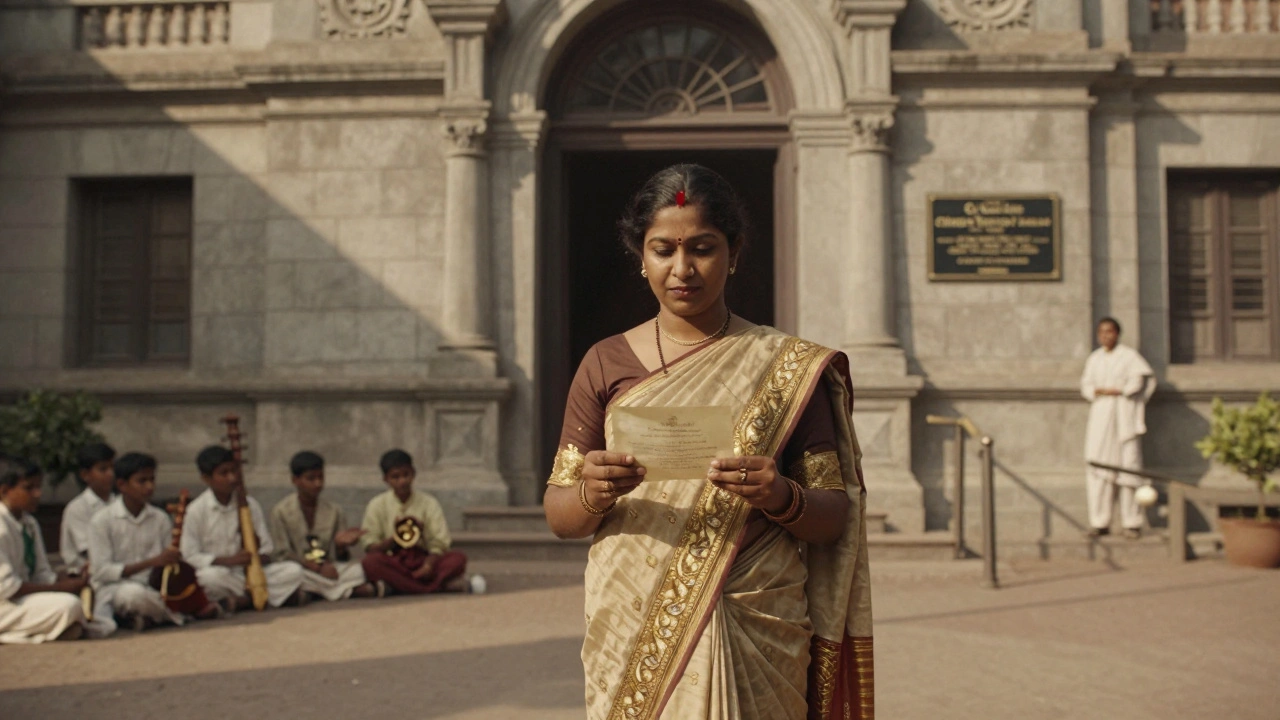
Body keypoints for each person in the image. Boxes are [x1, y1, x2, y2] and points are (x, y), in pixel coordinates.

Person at [543, 164, 874, 720]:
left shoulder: (786, 366)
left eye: (702, 248)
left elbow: (833, 517)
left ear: (734, 251)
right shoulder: (606, 363)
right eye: (663, 250)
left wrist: (780, 496)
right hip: (633, 617)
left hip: (758, 613)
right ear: (639, 256)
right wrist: (593, 493)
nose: (682, 269)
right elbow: (559, 515)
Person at [87, 452, 220, 634]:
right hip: (117, 588)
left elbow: (166, 567)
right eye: (142, 481)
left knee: (207, 580)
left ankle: (144, 618)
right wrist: (152, 562)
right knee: (134, 595)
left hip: (155, 587)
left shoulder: (160, 518)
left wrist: (173, 562)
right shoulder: (102, 521)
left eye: (152, 480)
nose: (150, 487)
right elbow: (101, 571)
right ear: (122, 485)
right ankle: (176, 614)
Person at [181, 446, 304, 611]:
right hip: (223, 574)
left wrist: (256, 557)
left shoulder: (250, 505)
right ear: (206, 478)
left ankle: (241, 601)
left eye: (234, 471)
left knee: (293, 571)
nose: (232, 478)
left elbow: (268, 549)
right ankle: (260, 597)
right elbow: (190, 556)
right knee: (207, 578)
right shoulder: (196, 510)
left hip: (253, 572)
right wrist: (229, 561)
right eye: (224, 473)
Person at [359, 450, 481, 595]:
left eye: (406, 475)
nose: (402, 481)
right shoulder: (377, 505)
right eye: (395, 477)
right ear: (386, 479)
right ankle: (436, 587)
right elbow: (370, 546)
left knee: (458, 559)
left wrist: (428, 563)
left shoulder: (429, 503)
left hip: (423, 559)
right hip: (395, 560)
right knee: (370, 563)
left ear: (413, 473)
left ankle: (397, 587)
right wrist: (395, 538)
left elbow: (440, 542)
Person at [1081, 317, 1156, 539]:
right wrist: (1101, 392)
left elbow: (1140, 381)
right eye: (1102, 332)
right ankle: (1100, 521)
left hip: (1124, 414)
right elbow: (1087, 386)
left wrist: (1121, 391)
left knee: (1128, 468)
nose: (1106, 336)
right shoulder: (1094, 359)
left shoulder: (1129, 357)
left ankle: (1131, 522)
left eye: (1110, 331)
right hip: (1101, 416)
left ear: (1117, 333)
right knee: (1099, 467)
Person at [269, 451, 380, 601]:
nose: (318, 484)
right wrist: (315, 567)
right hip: (301, 569)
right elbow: (281, 554)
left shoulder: (334, 511)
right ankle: (344, 591)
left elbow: (341, 559)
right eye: (311, 478)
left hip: (329, 569)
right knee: (289, 573)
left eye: (321, 477)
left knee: (358, 570)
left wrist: (341, 546)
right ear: (295, 480)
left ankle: (312, 593)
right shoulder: (280, 511)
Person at [0, 457, 89, 643]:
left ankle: (35, 631)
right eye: (29, 488)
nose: (37, 493)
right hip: (4, 603)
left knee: (78, 603)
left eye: (38, 487)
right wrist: (57, 588)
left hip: (19, 600)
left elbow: (41, 573)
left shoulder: (30, 523)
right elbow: (8, 588)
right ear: (5, 491)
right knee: (69, 606)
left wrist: (69, 578)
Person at [60, 442, 117, 575]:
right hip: (84, 573)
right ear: (85, 475)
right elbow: (89, 550)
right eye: (103, 469)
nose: (111, 474)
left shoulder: (119, 503)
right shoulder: (77, 508)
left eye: (112, 468)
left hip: (119, 567)